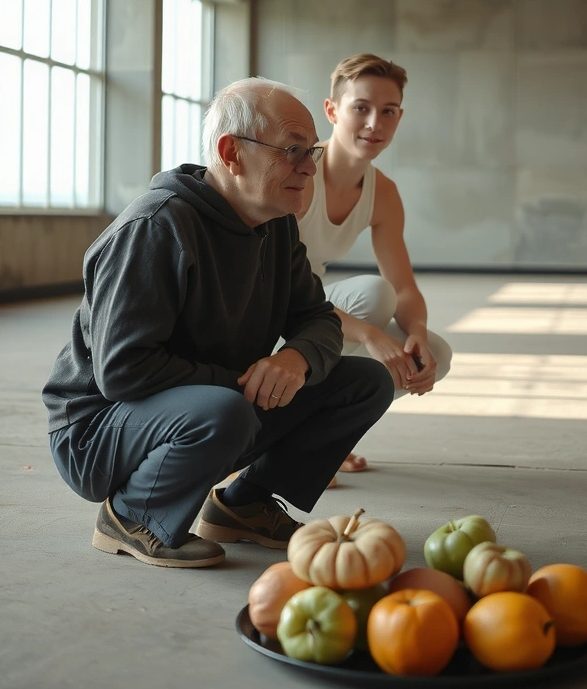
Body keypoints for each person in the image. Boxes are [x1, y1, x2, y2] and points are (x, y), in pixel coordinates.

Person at [42, 77, 395, 569]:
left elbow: (316, 317)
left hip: (209, 406)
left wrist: (295, 358)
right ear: (231, 152)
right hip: (99, 430)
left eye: (310, 151)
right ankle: (130, 515)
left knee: (366, 382)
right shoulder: (156, 228)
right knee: (226, 411)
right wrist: (244, 383)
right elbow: (122, 371)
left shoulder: (275, 224)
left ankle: (243, 505)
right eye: (292, 150)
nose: (308, 168)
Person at [297, 54, 452, 479]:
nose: (374, 124)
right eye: (360, 108)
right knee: (373, 296)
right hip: (265, 315)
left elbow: (404, 286)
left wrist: (415, 332)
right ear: (331, 111)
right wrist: (368, 333)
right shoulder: (298, 173)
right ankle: (279, 442)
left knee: (433, 353)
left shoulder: (383, 193)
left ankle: (319, 436)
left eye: (388, 112)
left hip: (310, 314)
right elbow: (275, 289)